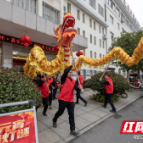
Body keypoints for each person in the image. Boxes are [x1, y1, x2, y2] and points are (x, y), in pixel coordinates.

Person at [52, 59, 82, 136]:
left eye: (71, 72)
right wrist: (71, 65)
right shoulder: (63, 79)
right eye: (69, 72)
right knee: (60, 112)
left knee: (71, 114)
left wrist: (79, 87)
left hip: (71, 100)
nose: (70, 73)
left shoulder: (72, 80)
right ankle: (54, 119)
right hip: (63, 99)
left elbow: (75, 88)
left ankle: (73, 130)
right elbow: (65, 72)